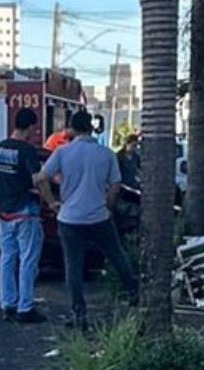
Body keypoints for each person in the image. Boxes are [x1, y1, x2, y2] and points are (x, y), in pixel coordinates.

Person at [38, 110, 140, 328]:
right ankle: (134, 293)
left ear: (72, 128)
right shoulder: (106, 154)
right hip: (98, 216)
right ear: (91, 128)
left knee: (73, 267)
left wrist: (51, 203)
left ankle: (79, 314)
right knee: (116, 255)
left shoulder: (62, 153)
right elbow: (115, 186)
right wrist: (108, 207)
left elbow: (42, 178)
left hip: (70, 218)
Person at [0, 107, 53, 323]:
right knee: (28, 260)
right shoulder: (26, 150)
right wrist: (51, 201)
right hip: (25, 212)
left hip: (4, 213)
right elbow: (38, 179)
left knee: (7, 258)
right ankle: (25, 307)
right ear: (29, 127)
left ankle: (7, 303)